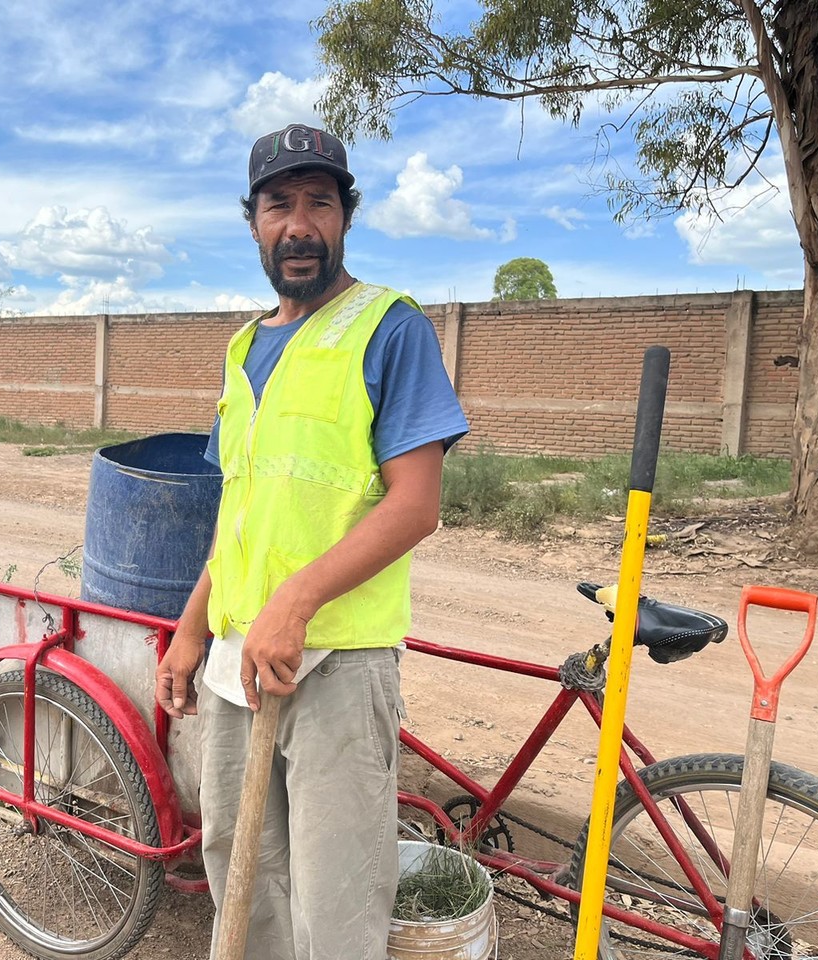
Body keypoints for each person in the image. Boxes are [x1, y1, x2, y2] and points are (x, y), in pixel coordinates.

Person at [154, 122, 469, 960]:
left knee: (336, 906)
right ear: (254, 222)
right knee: (240, 879)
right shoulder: (242, 348)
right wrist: (192, 626)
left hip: (338, 661)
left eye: (319, 203)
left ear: (345, 217)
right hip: (234, 660)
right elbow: (241, 514)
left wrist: (296, 601)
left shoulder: (389, 328)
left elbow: (416, 505)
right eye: (279, 204)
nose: (299, 224)